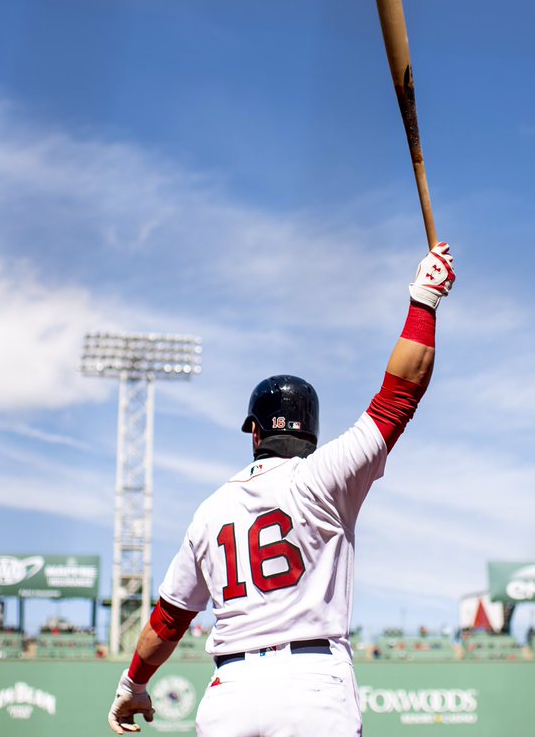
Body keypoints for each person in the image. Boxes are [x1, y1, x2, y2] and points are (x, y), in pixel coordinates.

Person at [107, 242, 456, 736]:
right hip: (314, 686)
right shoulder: (326, 477)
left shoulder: (210, 511)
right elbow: (399, 397)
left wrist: (133, 685)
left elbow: (168, 619)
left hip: (231, 693)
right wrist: (425, 299)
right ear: (311, 433)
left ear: (254, 433)